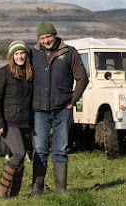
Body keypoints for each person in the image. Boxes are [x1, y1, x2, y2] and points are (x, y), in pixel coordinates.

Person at [31, 21, 89, 195]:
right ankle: (37, 191)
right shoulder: (32, 54)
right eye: (42, 38)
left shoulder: (70, 52)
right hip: (39, 110)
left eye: (48, 36)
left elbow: (82, 79)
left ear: (55, 34)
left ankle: (61, 192)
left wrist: (72, 100)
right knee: (40, 150)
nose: (46, 41)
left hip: (62, 109)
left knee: (60, 150)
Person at [0, 40, 33, 199]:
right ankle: (2, 191)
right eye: (16, 54)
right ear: (11, 56)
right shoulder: (3, 73)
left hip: (26, 121)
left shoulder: (30, 73)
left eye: (22, 53)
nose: (20, 56)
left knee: (21, 158)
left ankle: (14, 195)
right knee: (19, 152)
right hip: (9, 122)